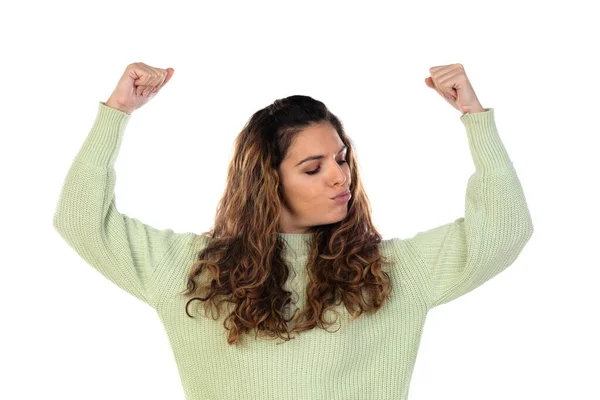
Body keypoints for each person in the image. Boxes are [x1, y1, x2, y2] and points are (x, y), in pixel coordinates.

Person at [52, 62, 534, 400]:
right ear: (267, 180)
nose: (339, 176)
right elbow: (80, 220)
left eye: (342, 158)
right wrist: (116, 111)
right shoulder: (193, 269)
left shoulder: (391, 270)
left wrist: (475, 119)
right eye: (313, 167)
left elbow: (504, 230)